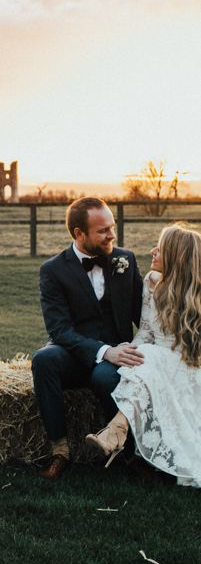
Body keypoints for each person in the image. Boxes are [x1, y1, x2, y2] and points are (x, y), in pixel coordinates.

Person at [32, 197, 143, 480]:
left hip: (115, 355)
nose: (111, 235)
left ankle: (130, 454)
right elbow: (59, 330)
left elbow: (142, 315)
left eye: (112, 227)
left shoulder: (125, 260)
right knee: (44, 360)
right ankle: (60, 451)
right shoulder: (53, 270)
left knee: (105, 378)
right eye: (102, 230)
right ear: (79, 234)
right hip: (72, 351)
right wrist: (104, 351)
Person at [85, 224, 201, 488]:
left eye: (160, 248)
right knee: (143, 355)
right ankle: (116, 432)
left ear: (176, 255)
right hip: (155, 358)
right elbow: (146, 332)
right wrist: (129, 353)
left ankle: (116, 433)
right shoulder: (151, 283)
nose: (152, 251)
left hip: (190, 365)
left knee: (150, 358)